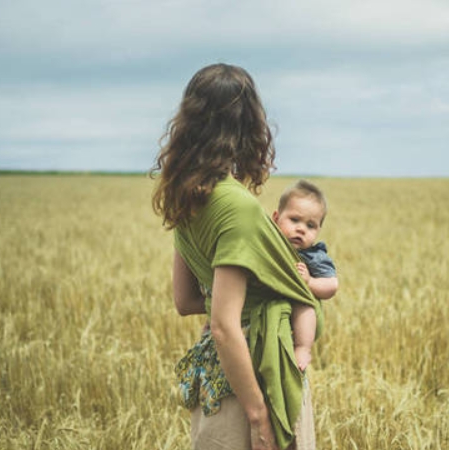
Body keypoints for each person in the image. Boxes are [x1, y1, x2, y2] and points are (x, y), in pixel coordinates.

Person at [151, 63, 323, 450]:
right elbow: (226, 325)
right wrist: (259, 415)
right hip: (256, 376)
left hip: (215, 372)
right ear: (249, 126)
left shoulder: (188, 196)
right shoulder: (239, 208)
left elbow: (186, 301)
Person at [272, 180, 338, 372]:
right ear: (276, 218)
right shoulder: (270, 245)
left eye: (311, 226)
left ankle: (303, 347)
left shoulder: (313, 256)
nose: (301, 229)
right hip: (270, 302)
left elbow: (332, 285)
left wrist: (309, 282)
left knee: (304, 306)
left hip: (296, 301)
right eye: (294, 220)